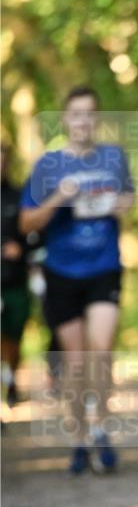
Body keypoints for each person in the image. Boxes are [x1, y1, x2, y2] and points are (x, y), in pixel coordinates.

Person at [19, 86, 135, 474]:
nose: (83, 121)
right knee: (76, 363)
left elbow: (130, 199)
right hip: (62, 272)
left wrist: (121, 204)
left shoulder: (113, 157)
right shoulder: (48, 165)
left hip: (104, 266)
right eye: (76, 114)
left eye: (89, 114)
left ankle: (101, 428)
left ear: (96, 119)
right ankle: (79, 438)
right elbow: (26, 223)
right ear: (65, 120)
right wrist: (58, 198)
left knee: (101, 353)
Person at [1, 142, 30, 408]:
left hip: (15, 281)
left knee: (13, 340)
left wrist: (21, 248)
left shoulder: (19, 196)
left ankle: (11, 381)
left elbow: (35, 236)